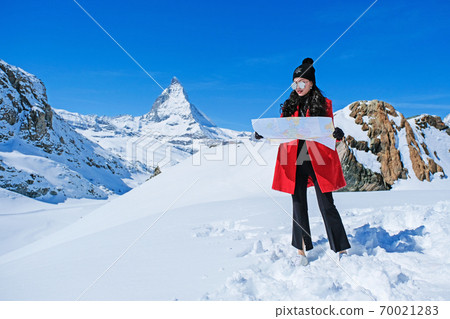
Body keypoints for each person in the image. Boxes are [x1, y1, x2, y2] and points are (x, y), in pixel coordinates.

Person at [255, 57, 350, 266]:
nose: (297, 87)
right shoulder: (288, 105)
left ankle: (341, 248)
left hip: (318, 159)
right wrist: (263, 133)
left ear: (311, 83)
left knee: (327, 204)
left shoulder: (324, 104)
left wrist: (338, 134)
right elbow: (279, 131)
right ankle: (301, 250)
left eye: (302, 82)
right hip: (294, 158)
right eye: (294, 83)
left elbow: (330, 133)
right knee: (298, 204)